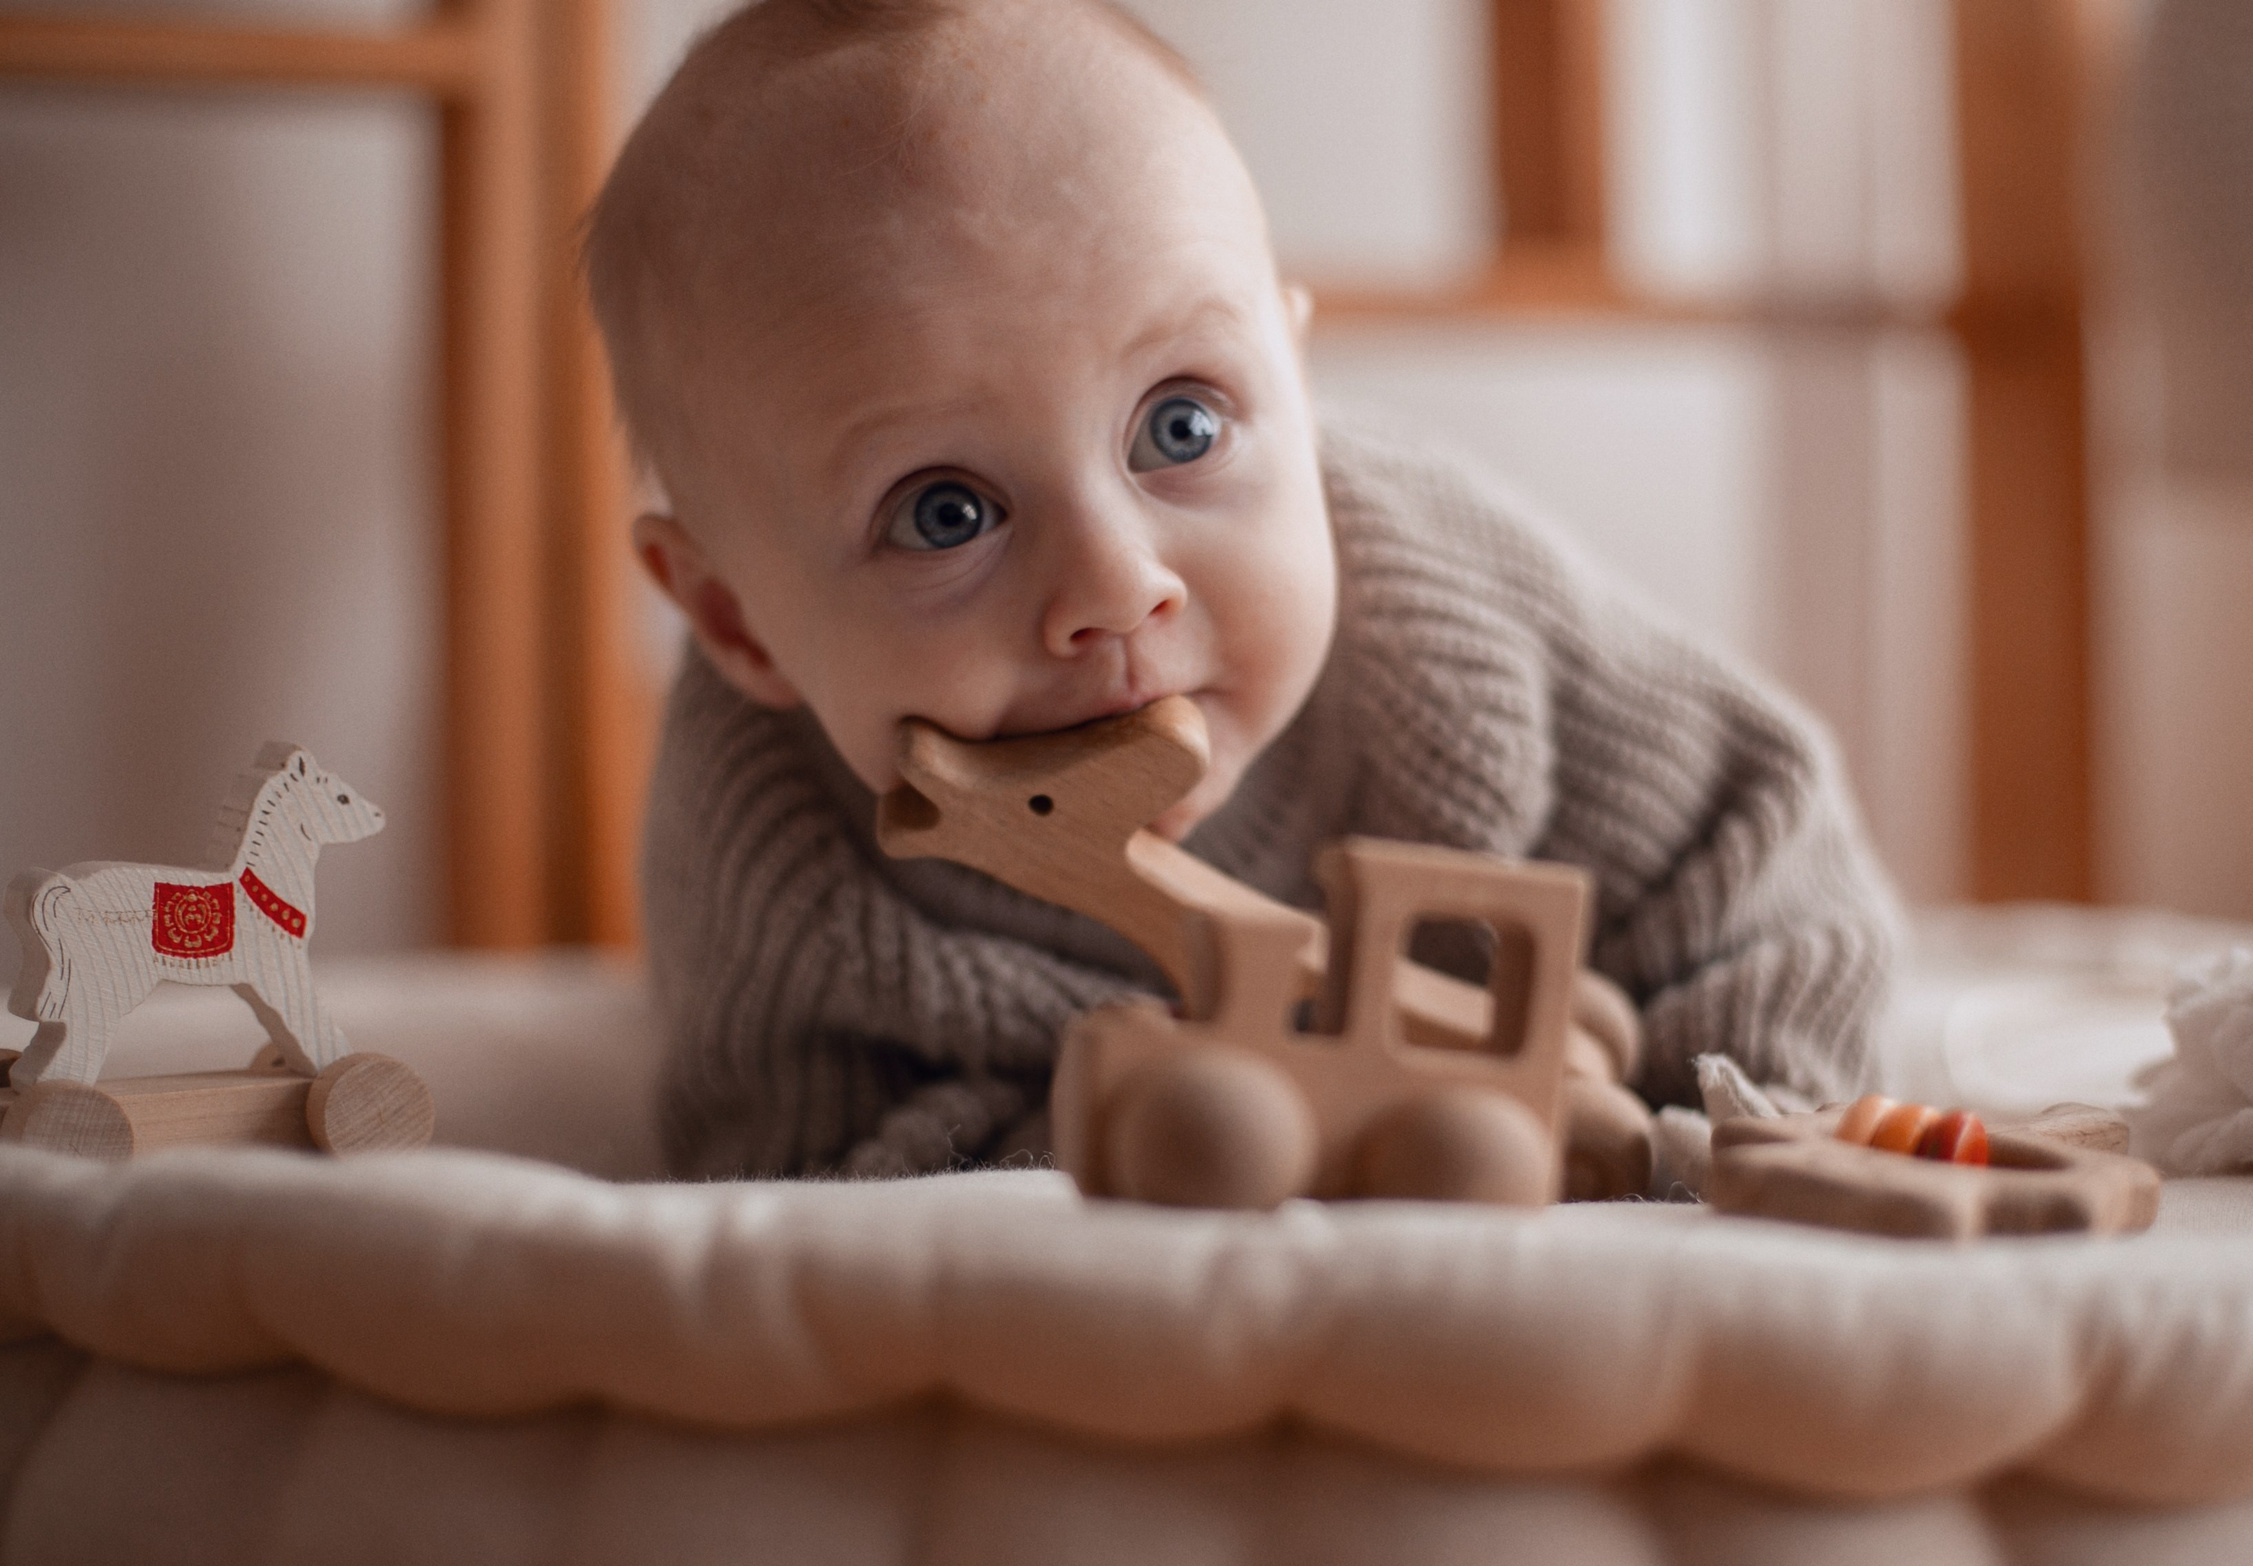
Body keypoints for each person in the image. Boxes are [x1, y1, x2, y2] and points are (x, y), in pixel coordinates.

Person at [584, 0, 1900, 1180]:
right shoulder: (775, 849)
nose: (1114, 586)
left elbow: (1762, 851)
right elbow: (797, 1186)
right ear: (735, 621)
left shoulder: (1454, 619)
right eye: (949, 513)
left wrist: (1727, 1137)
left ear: (1296, 384)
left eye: (1181, 429)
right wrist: (1131, 1146)